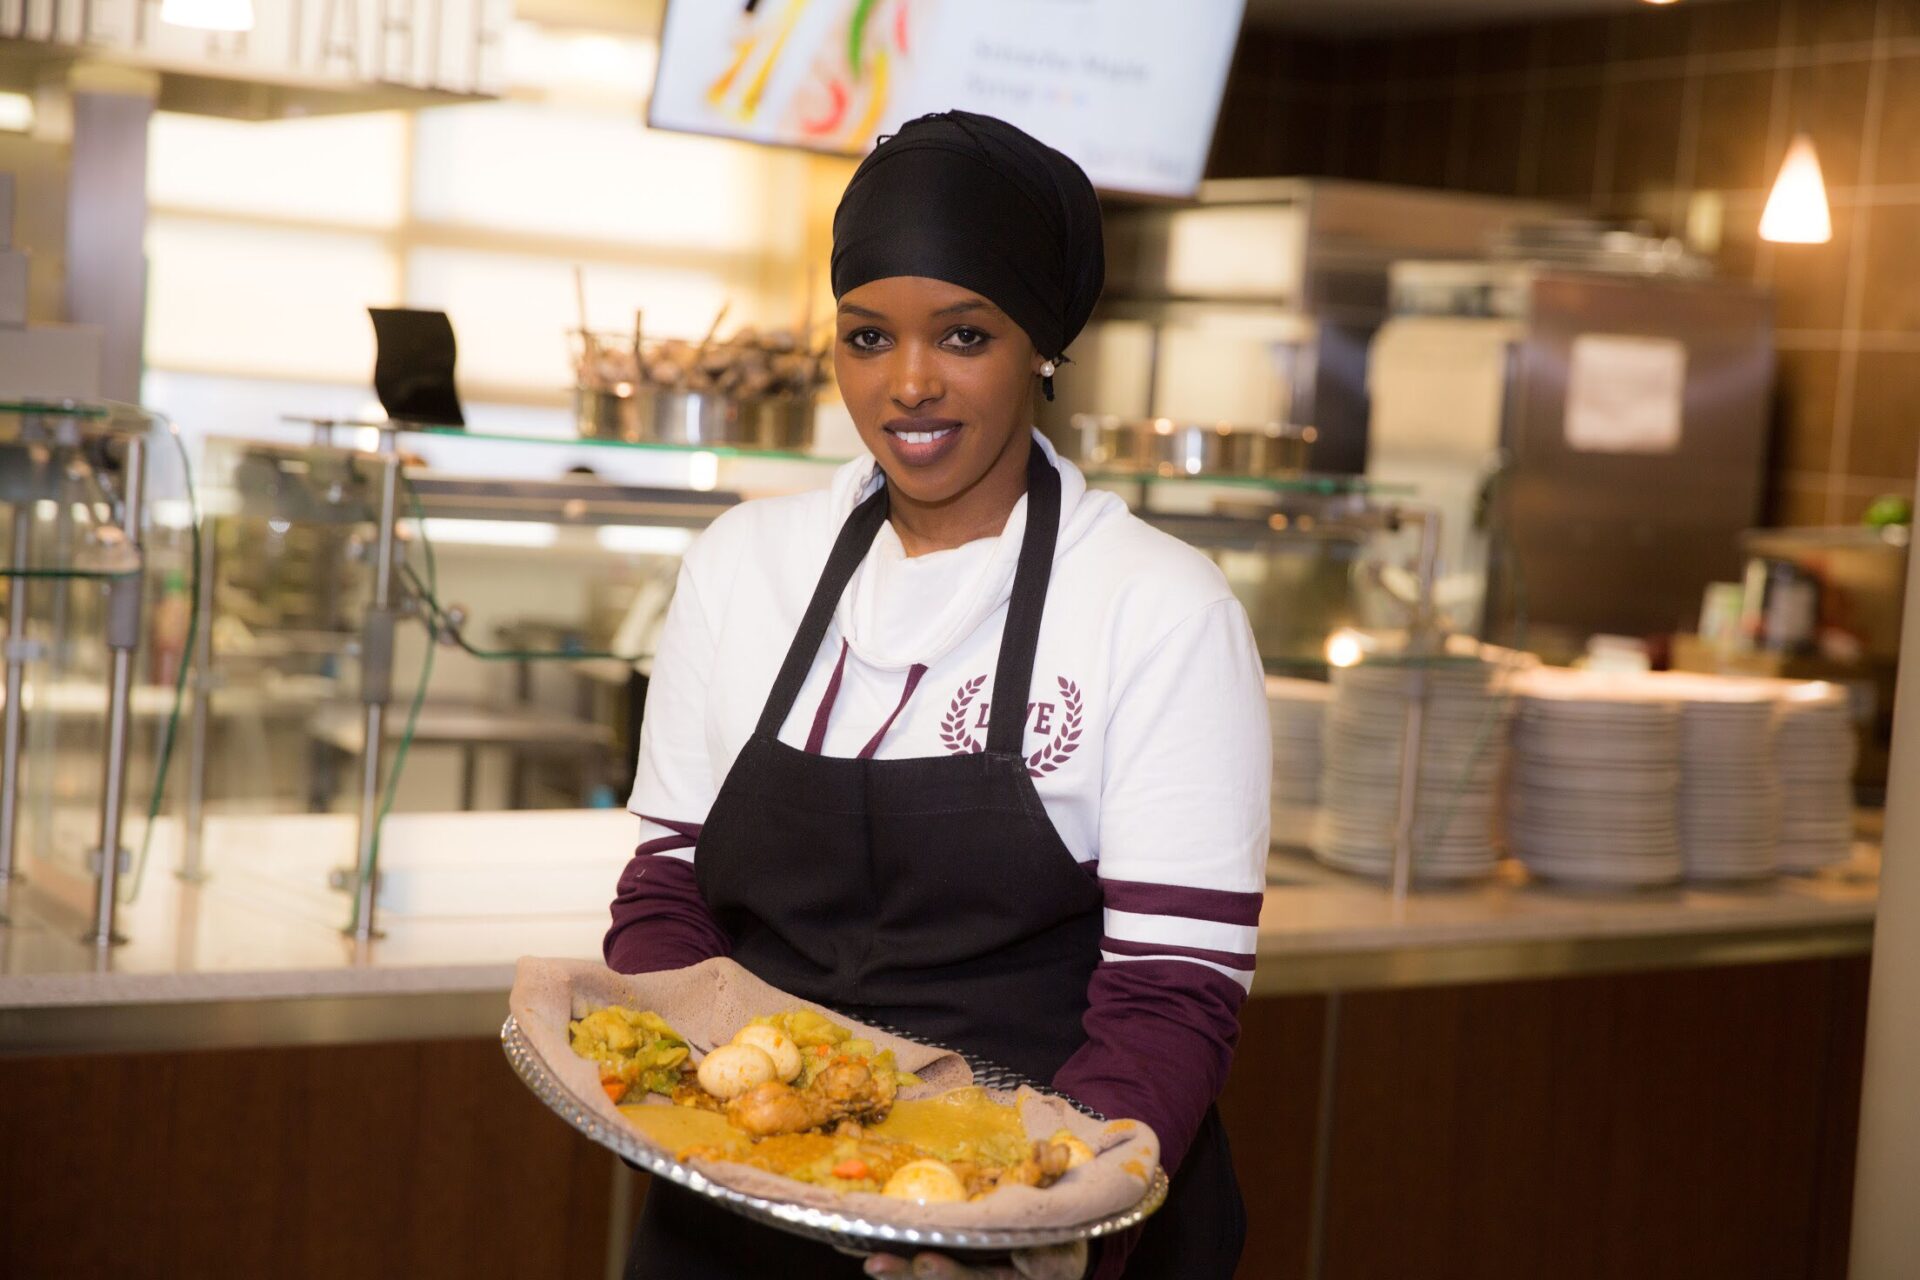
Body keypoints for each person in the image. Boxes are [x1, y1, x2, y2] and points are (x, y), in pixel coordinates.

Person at [604, 110, 1269, 1280]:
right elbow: (669, 882)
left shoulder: (1157, 605)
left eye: (964, 333)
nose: (909, 383)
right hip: (745, 1203)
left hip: (1041, 1201)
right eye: (868, 337)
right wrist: (696, 1088)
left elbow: (1173, 988)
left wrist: (1041, 1212)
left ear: (1042, 347)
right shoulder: (742, 564)